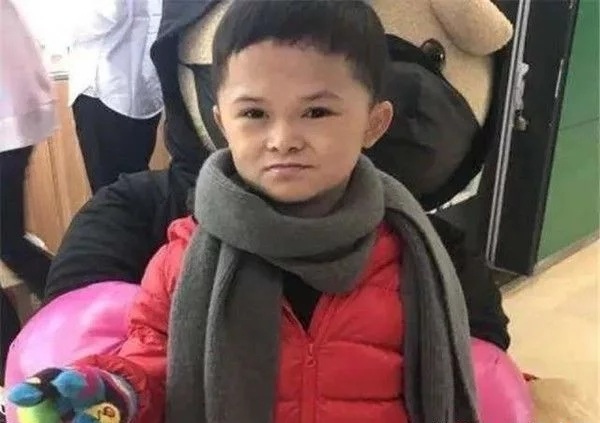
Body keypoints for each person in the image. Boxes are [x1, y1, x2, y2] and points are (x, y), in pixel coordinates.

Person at [8, 2, 480, 423]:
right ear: (222, 123)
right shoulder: (183, 256)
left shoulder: (412, 255)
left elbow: (449, 377)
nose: (283, 139)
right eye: (254, 114)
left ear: (374, 124)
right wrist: (112, 391)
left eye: (316, 112)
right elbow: (154, 364)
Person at [0, 0, 56, 375]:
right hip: (17, 116)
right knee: (11, 243)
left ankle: (11, 369)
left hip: (8, 123)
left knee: (10, 243)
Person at [68, 0, 163, 193]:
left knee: (111, 194)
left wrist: (60, 26)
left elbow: (108, 11)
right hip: (141, 87)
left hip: (105, 87)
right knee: (134, 189)